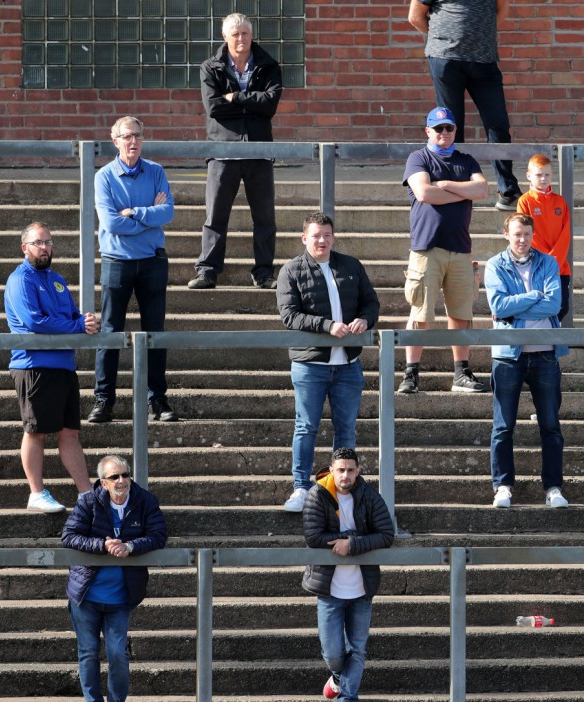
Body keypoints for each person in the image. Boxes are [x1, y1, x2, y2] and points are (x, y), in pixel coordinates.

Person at [277, 213, 380, 513]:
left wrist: (365, 319)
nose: (322, 240)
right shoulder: (291, 270)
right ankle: (300, 487)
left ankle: (341, 487)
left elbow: (371, 302)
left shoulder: (351, 266)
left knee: (346, 429)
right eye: (316, 235)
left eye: (327, 235)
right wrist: (326, 326)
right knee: (306, 426)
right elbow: (289, 315)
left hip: (348, 364)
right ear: (304, 237)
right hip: (310, 364)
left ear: (333, 237)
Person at [89, 115, 177, 424]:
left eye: (137, 136)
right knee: (111, 331)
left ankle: (158, 400)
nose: (133, 141)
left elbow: (167, 212)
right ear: (115, 141)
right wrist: (147, 216)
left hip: (152, 261)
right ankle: (104, 400)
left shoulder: (155, 171)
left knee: (154, 333)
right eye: (126, 136)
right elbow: (111, 223)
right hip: (117, 261)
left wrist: (135, 212)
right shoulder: (104, 177)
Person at [4, 221, 97, 512]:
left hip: (63, 365)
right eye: (38, 243)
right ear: (24, 247)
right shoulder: (21, 279)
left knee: (69, 431)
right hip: (35, 365)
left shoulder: (56, 279)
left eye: (48, 242)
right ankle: (36, 493)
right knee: (36, 430)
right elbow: (34, 322)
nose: (44, 248)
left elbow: (72, 316)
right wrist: (77, 325)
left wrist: (87, 321)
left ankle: (86, 494)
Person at [398, 106, 490, 395]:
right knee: (420, 313)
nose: (444, 133)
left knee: (461, 313)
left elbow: (483, 190)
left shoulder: (466, 160)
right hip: (427, 248)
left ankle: (461, 373)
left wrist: (447, 185)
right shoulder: (418, 158)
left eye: (449, 128)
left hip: (460, 249)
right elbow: (424, 193)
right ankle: (410, 374)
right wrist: (462, 191)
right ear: (428, 131)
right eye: (438, 128)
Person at [189, 12, 283, 290]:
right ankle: (207, 271)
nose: (241, 39)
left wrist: (236, 97)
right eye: (235, 34)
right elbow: (214, 107)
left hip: (259, 150)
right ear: (225, 37)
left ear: (251, 35)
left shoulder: (268, 65)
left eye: (245, 33)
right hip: (223, 150)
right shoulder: (211, 67)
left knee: (265, 218)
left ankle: (264, 272)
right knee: (215, 217)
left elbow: (270, 104)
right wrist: (251, 102)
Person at [62, 455, 168, 702]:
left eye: (125, 474)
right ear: (103, 482)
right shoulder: (89, 501)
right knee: (88, 652)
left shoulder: (144, 500)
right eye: (114, 477)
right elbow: (69, 536)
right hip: (86, 594)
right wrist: (102, 544)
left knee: (118, 654)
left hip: (120, 596)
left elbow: (159, 534)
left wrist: (131, 546)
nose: (122, 480)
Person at [484, 213, 568, 509]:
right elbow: (498, 305)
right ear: (506, 234)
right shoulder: (495, 265)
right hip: (508, 356)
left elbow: (555, 305)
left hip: (545, 354)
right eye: (517, 234)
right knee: (503, 426)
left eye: (527, 234)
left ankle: (553, 487)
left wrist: (515, 308)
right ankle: (503, 485)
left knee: (550, 425)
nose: (522, 240)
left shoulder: (547, 262)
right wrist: (535, 297)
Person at [407, 0, 521, 210]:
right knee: (451, 125)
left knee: (498, 124)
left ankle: (507, 189)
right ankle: (457, 186)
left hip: (485, 62)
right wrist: (442, 39)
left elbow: (501, 11)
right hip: (445, 59)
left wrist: (478, 35)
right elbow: (415, 16)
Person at [302, 448, 395, 701]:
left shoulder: (369, 496)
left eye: (350, 470)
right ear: (331, 470)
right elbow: (313, 537)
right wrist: (350, 540)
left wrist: (351, 545)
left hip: (362, 588)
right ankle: (337, 677)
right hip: (329, 589)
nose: (345, 475)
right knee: (333, 653)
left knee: (357, 650)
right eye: (340, 470)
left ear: (358, 471)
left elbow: (387, 535)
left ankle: (347, 697)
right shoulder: (317, 495)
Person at [516, 154, 572, 321]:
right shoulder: (525, 201)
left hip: (559, 267)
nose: (543, 178)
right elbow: (527, 234)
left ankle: (553, 345)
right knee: (539, 305)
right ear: (529, 176)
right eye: (539, 174)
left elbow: (565, 234)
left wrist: (555, 261)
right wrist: (547, 261)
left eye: (547, 174)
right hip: (536, 266)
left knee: (561, 307)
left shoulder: (559, 201)